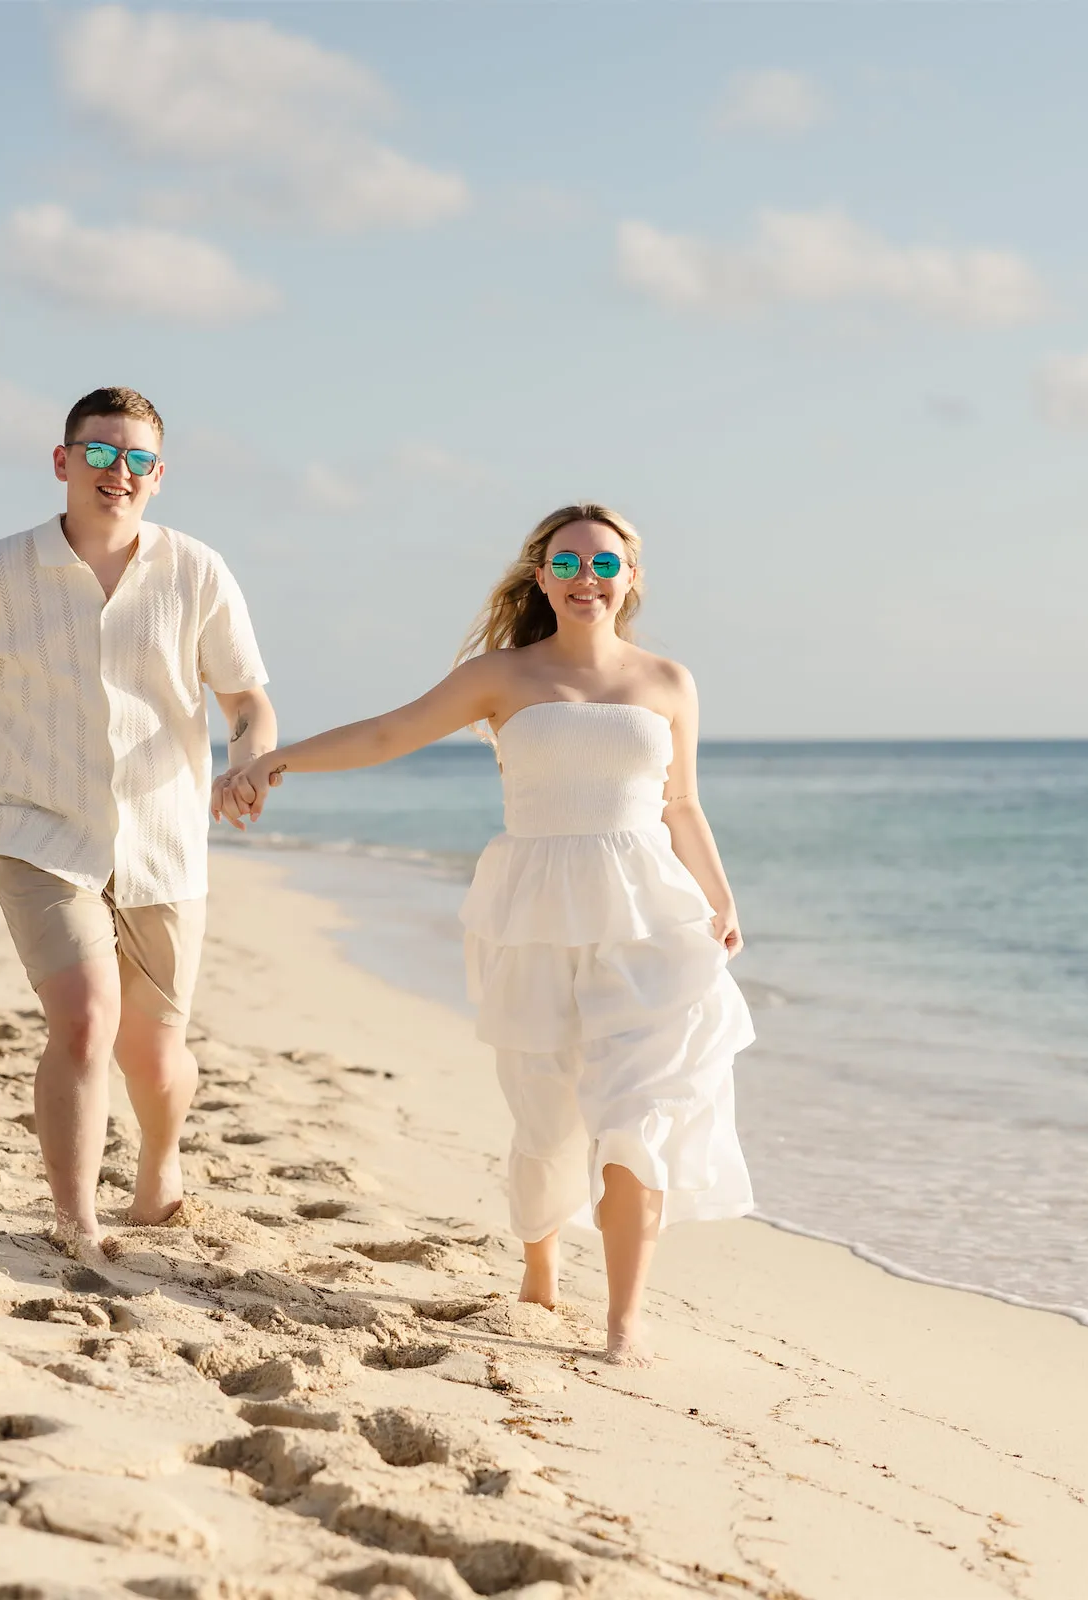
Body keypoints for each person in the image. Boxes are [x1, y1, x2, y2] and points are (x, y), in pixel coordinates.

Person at [222, 504, 751, 1364]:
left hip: (652, 920)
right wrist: (275, 761)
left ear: (630, 579)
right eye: (569, 563)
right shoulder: (501, 676)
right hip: (534, 911)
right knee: (545, 1120)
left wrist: (721, 897)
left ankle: (624, 1322)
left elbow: (681, 803)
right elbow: (390, 733)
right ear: (541, 576)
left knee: (640, 1114)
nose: (588, 578)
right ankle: (539, 1274)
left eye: (605, 565)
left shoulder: (668, 682)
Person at [0, 386, 275, 1267]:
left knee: (155, 1050)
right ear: (63, 462)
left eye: (137, 459)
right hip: (40, 833)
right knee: (87, 1021)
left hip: (165, 842)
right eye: (100, 454)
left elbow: (249, 703)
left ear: (160, 476)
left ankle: (159, 1168)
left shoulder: (197, 572)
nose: (118, 473)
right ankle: (74, 1219)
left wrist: (248, 757)